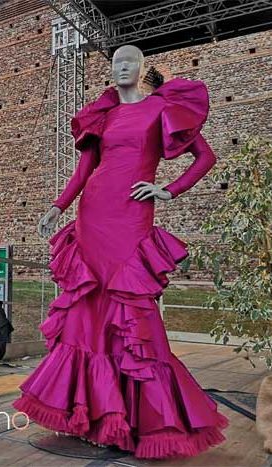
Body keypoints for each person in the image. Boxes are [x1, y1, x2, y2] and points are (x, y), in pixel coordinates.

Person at [13, 45, 227, 459]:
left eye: (129, 61)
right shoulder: (103, 115)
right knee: (88, 313)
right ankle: (91, 416)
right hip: (93, 215)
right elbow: (84, 170)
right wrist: (57, 208)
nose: (122, 67)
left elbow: (206, 157)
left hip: (131, 219)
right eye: (115, 63)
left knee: (134, 313)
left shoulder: (161, 108)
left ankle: (142, 420)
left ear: (143, 67)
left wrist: (168, 190)